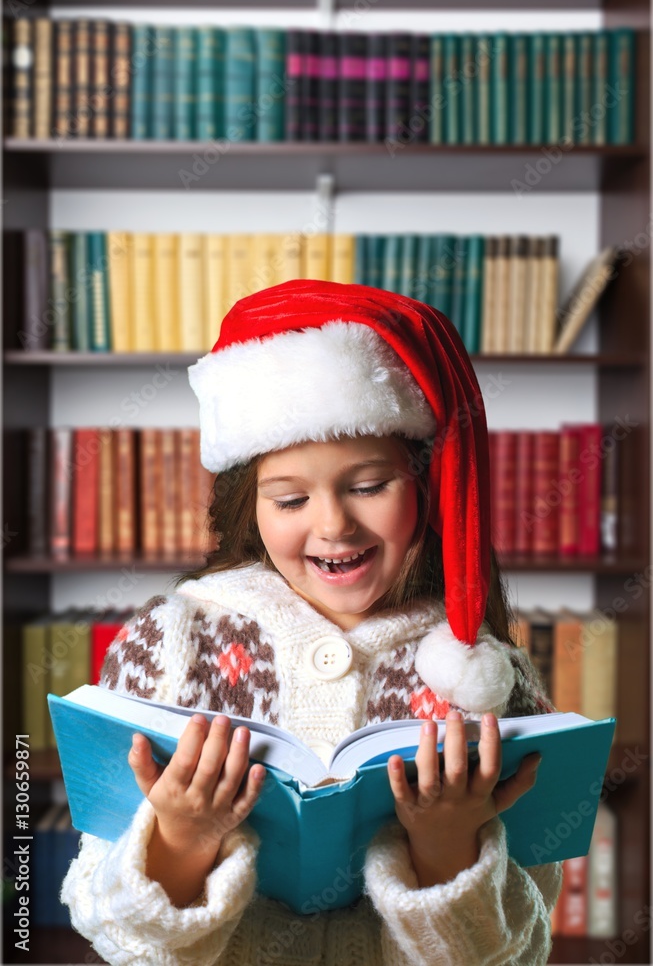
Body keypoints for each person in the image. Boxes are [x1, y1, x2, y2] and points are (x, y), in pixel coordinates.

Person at [61, 280, 562, 965]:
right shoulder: (169, 643)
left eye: (367, 486)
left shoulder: (486, 676)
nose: (333, 525)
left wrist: (445, 847)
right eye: (290, 497)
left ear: (422, 487)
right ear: (251, 509)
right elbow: (115, 935)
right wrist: (179, 841)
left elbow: (520, 950)